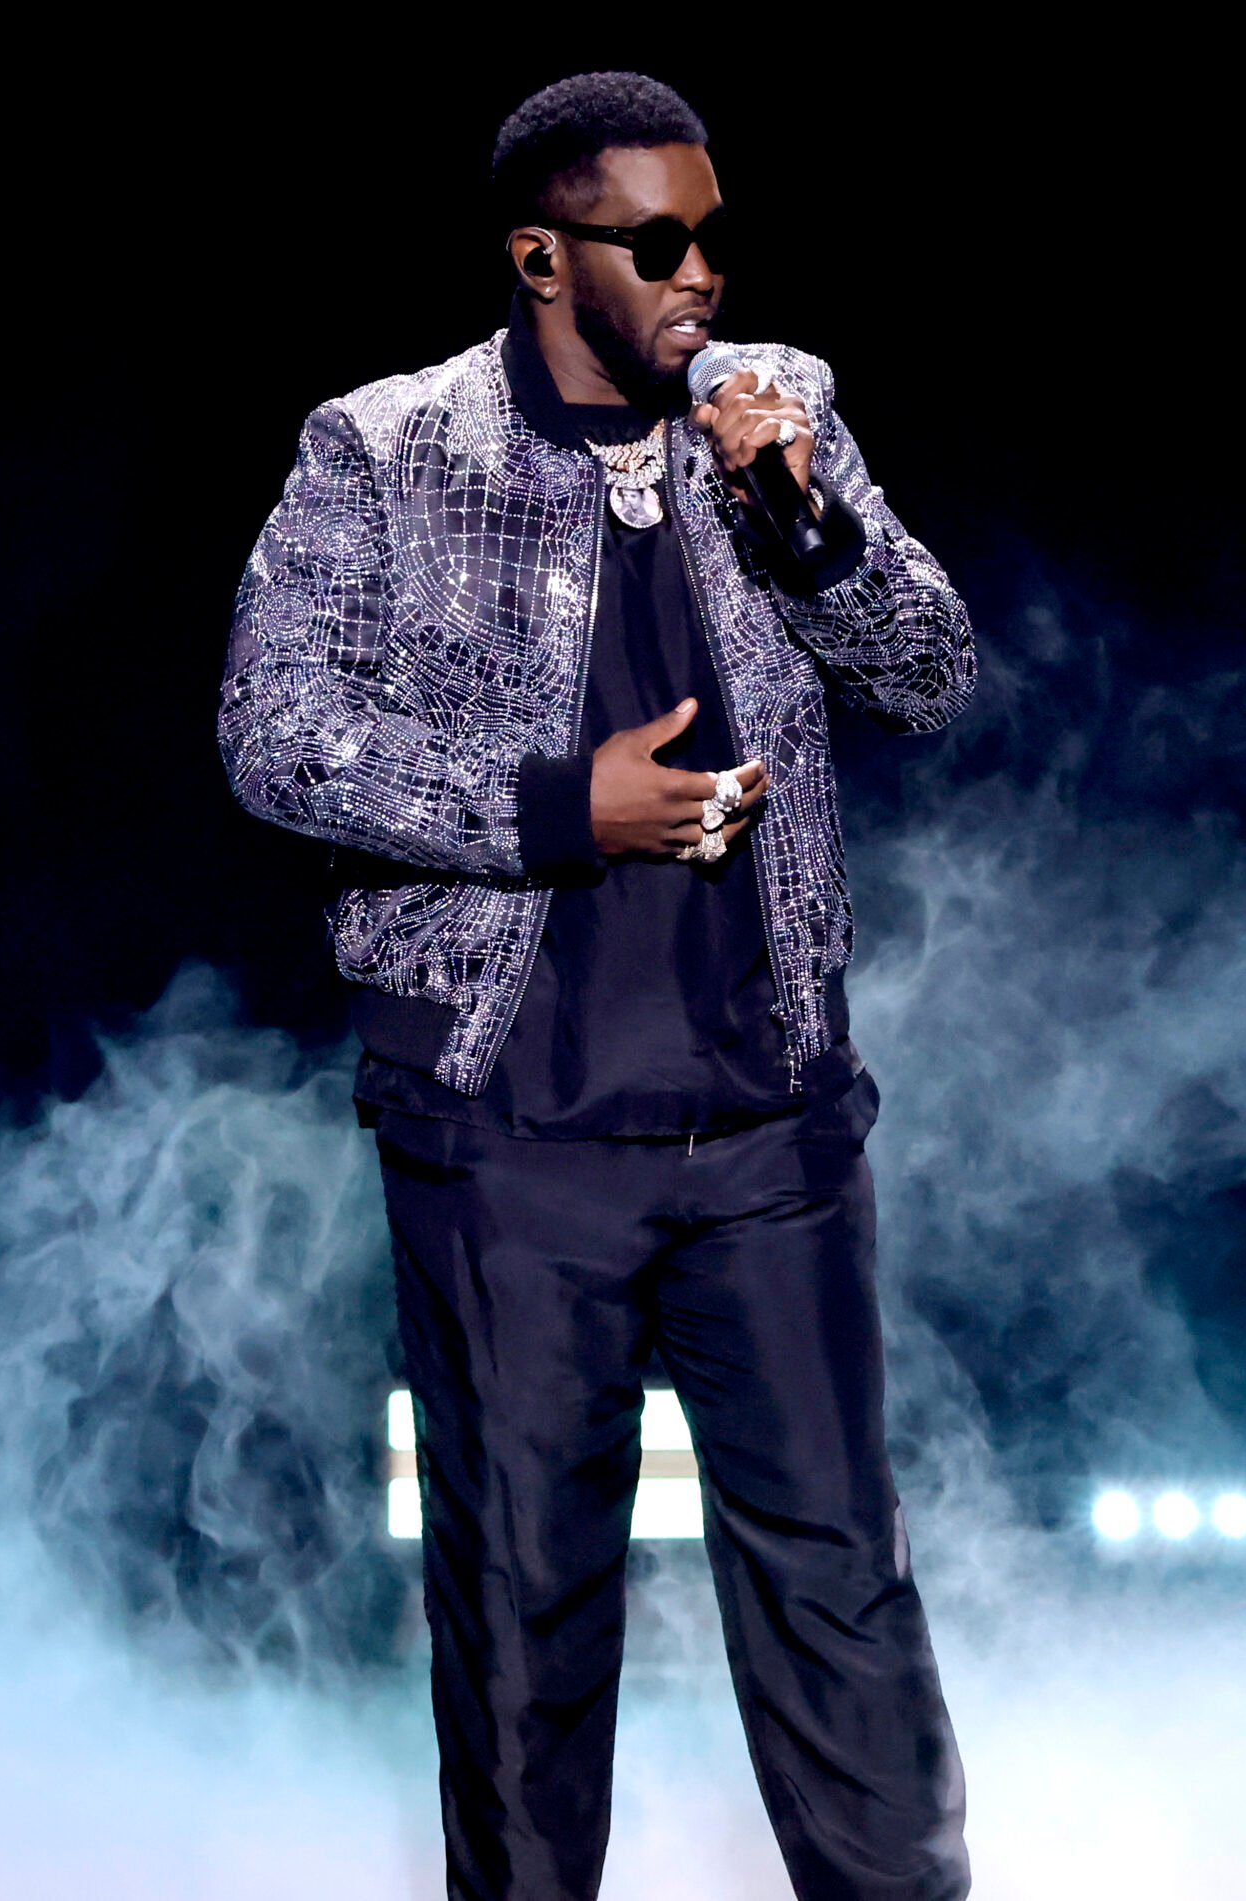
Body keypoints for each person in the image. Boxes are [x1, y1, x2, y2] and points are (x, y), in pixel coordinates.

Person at [220, 69, 974, 1901]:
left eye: (713, 235)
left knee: (842, 1591)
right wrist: (568, 808)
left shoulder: (779, 417)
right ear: (544, 255)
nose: (700, 272)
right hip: (512, 1139)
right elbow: (275, 731)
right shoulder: (390, 449)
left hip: (772, 1132)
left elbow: (930, 673)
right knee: (521, 1611)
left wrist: (804, 517)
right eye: (658, 241)